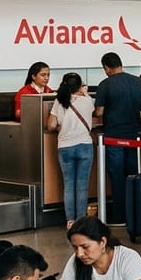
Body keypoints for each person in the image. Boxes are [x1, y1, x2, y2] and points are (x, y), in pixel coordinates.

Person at [94, 52, 141, 227]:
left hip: (114, 136)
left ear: (106, 68)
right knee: (132, 175)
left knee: (117, 177)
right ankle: (136, 213)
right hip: (133, 136)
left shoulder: (105, 84)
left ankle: (119, 216)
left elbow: (99, 112)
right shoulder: (137, 81)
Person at [44, 72, 94, 230]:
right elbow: (93, 111)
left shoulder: (60, 101)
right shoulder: (87, 100)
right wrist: (84, 92)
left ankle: (70, 221)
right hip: (85, 145)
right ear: (80, 86)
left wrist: (62, 126)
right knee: (82, 186)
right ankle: (81, 221)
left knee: (69, 185)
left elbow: (51, 125)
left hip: (65, 147)